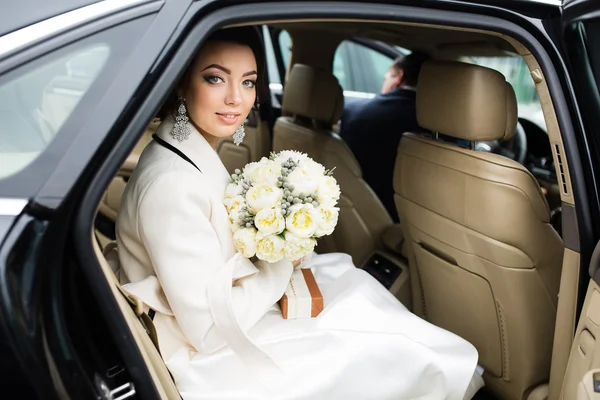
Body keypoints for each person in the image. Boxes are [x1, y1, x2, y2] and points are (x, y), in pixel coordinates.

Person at [114, 26, 482, 400]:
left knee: (349, 281)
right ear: (181, 84)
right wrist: (279, 265)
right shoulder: (172, 185)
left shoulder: (184, 152)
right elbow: (207, 332)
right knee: (394, 351)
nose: (235, 99)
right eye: (215, 79)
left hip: (220, 313)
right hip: (209, 355)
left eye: (248, 82)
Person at [339, 52, 430, 222]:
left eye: (385, 77)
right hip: (411, 220)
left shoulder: (353, 111)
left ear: (399, 77)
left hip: (357, 212)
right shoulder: (443, 126)